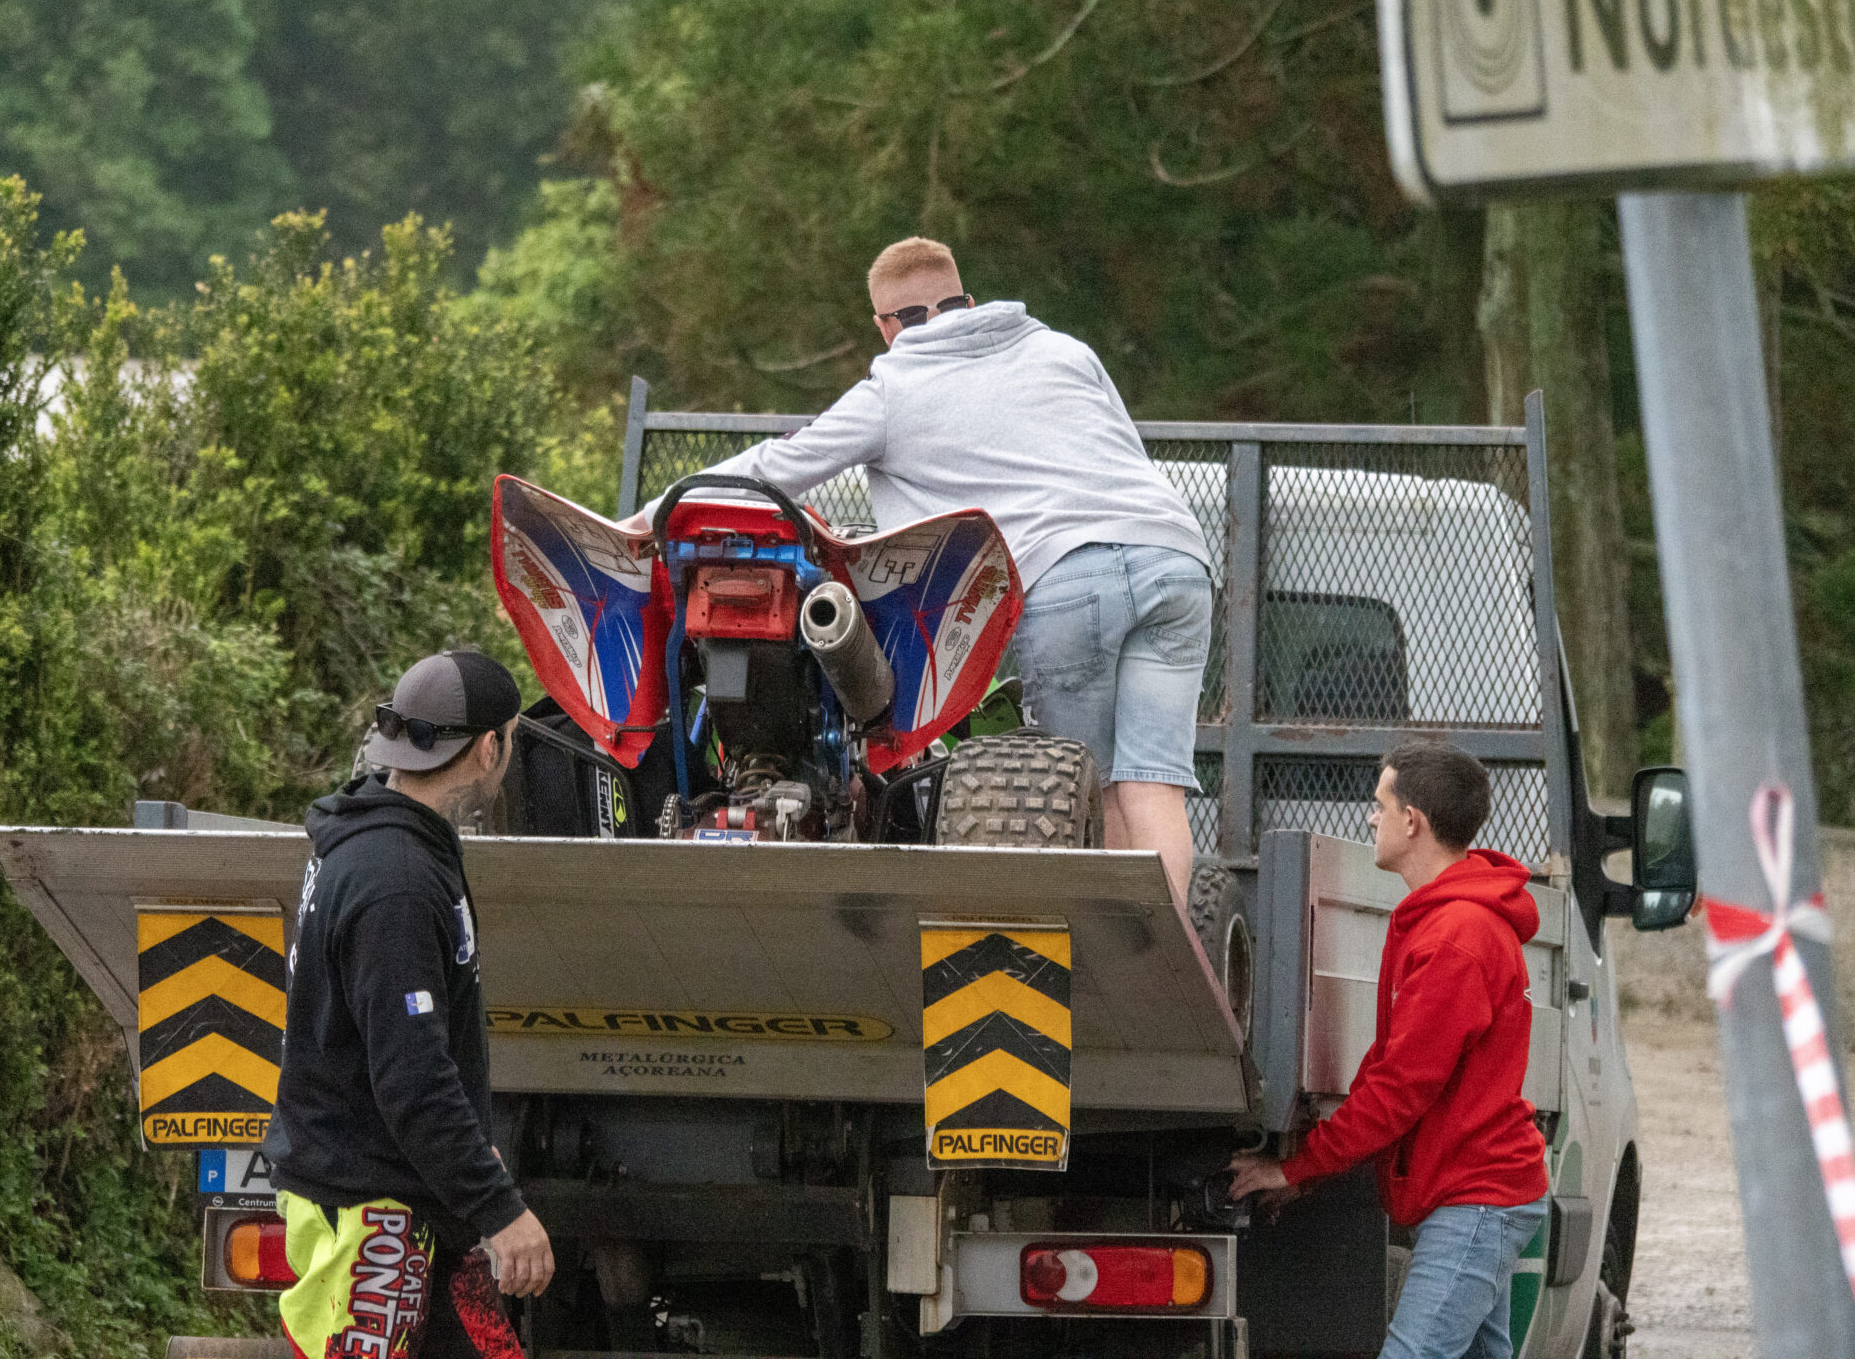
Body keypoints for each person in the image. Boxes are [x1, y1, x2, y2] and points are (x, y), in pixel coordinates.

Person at [657, 236, 1214, 896]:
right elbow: (1125, 455)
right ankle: (1171, 953)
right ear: (966, 303)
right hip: (1175, 558)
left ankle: (1123, 954)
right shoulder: (1065, 351)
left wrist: (646, 520)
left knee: (1087, 791)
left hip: (1065, 575)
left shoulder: (895, 388)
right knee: (1153, 785)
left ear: (886, 327)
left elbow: (773, 471)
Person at [265, 650, 554, 1359]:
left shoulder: (384, 841)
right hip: (372, 1223)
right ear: (488, 747)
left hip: (411, 1199)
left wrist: (470, 1163)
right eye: (510, 741)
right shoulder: (395, 880)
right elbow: (412, 1078)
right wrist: (502, 1210)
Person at [1227, 739, 1549, 1359]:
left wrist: (1295, 1167)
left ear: (1412, 821)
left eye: (1380, 804)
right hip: (1478, 1192)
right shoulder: (1437, 921)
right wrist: (1310, 1171)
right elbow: (1389, 1064)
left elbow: (1400, 1088)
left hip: (1477, 1199)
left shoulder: (1456, 938)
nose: (1371, 817)